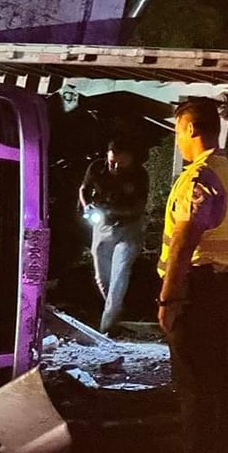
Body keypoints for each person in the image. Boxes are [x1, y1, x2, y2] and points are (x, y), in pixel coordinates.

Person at [155, 98, 228, 453]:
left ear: (192, 129)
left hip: (195, 286)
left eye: (178, 130)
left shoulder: (200, 177)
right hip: (223, 284)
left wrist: (168, 298)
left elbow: (183, 241)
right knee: (218, 372)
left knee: (192, 379)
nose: (177, 139)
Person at [78, 137, 149, 335]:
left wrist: (113, 212)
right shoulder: (96, 168)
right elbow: (83, 189)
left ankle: (106, 326)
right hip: (102, 227)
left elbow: (139, 206)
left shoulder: (139, 174)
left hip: (129, 228)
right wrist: (87, 207)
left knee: (120, 273)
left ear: (131, 160)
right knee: (102, 276)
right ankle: (117, 313)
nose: (115, 166)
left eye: (121, 163)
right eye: (112, 162)